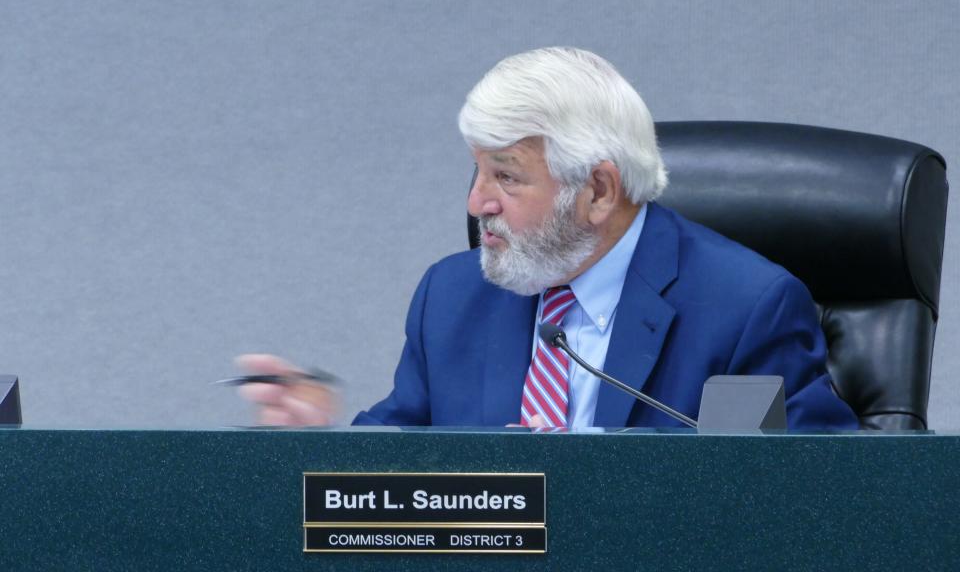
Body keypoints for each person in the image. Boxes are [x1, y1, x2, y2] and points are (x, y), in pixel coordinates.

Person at [238, 47, 858, 430]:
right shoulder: (452, 295)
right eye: (477, 171)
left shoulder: (749, 307)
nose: (476, 202)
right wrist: (322, 449)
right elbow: (403, 463)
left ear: (598, 192)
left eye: (506, 176)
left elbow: (816, 499)